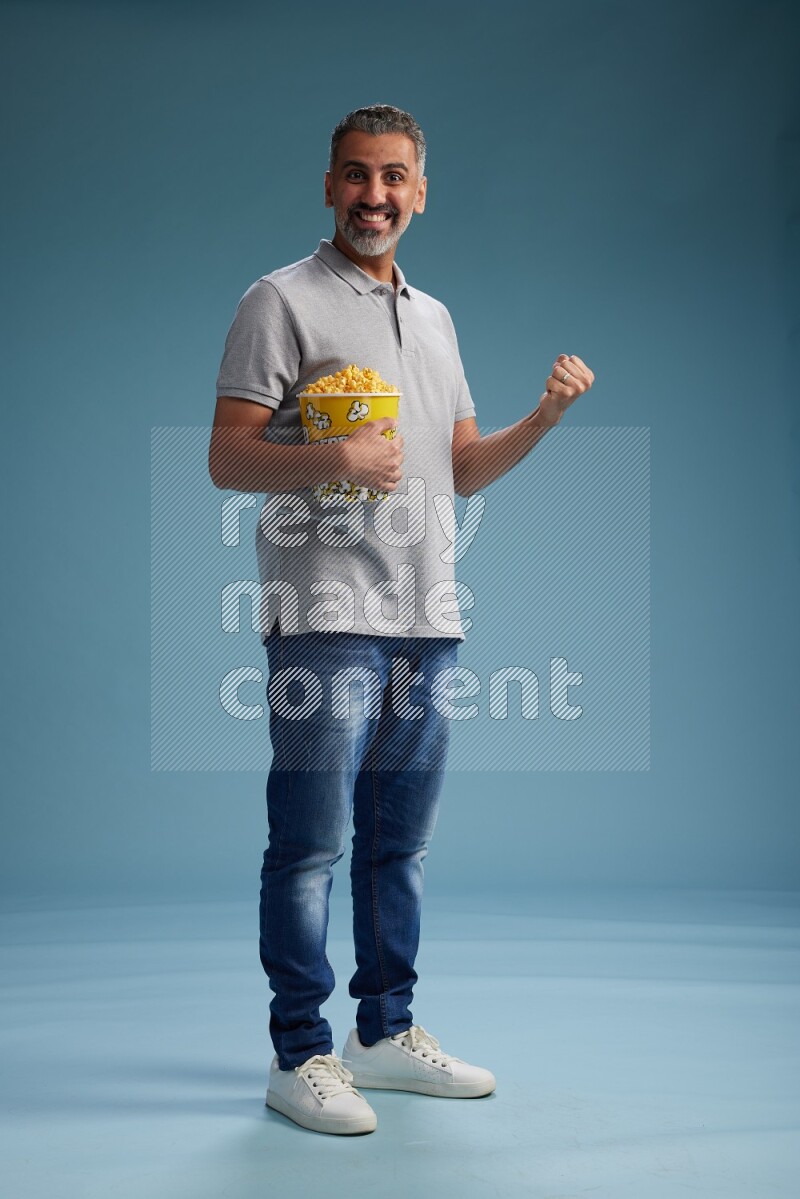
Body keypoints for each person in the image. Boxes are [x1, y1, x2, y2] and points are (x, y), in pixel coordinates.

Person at [209, 104, 595, 1136]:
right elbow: (226, 455)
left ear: (418, 191)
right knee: (307, 847)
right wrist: (331, 458)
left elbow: (460, 467)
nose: (372, 195)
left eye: (391, 178)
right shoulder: (277, 300)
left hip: (428, 610)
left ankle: (382, 1033)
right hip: (325, 610)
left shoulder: (433, 318)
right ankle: (302, 1052)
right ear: (328, 186)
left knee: (397, 846)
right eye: (353, 175)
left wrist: (543, 416)